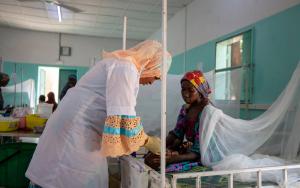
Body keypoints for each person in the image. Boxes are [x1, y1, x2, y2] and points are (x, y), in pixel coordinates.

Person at [25, 40, 172, 188]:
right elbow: (126, 123)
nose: (153, 82)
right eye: (157, 76)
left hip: (76, 130)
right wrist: (148, 141)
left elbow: (120, 116)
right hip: (75, 134)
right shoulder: (125, 68)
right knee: (66, 175)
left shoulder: (120, 65)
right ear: (149, 64)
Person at [145, 70, 211, 170]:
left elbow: (198, 152)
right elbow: (176, 134)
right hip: (188, 151)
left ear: (200, 91)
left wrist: (171, 159)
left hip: (202, 156)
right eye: (183, 89)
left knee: (166, 168)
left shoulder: (207, 112)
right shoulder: (185, 109)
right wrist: (160, 148)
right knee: (150, 158)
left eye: (190, 90)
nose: (185, 94)